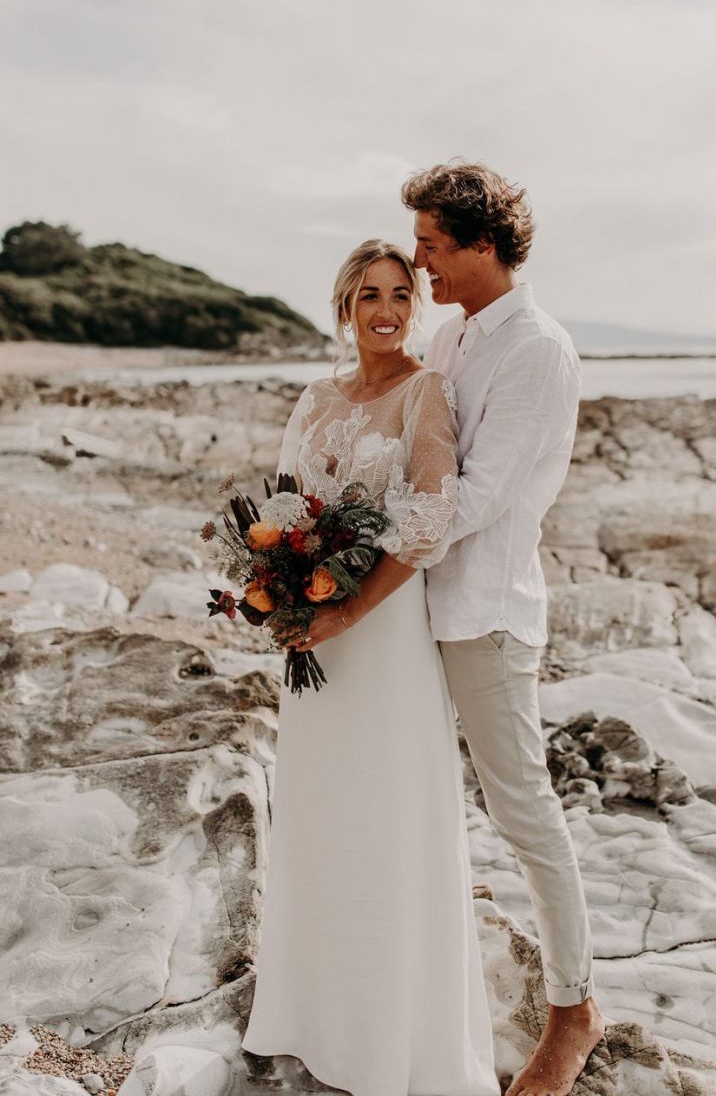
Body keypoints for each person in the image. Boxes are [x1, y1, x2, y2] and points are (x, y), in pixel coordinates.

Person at [241, 240, 500, 1096]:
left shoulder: (427, 391)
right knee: (319, 817)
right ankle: (312, 1015)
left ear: (412, 307)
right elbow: (281, 504)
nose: (385, 310)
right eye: (369, 295)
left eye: (399, 294)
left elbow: (428, 520)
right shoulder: (316, 397)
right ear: (344, 306)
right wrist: (280, 595)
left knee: (387, 819)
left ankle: (389, 1040)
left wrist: (348, 607)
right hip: (313, 635)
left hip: (382, 639)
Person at [402, 161, 605, 1096]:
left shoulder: (538, 348)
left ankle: (573, 1011)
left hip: (485, 616)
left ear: (484, 244)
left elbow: (477, 499)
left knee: (523, 812)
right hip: (416, 613)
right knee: (417, 802)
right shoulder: (451, 335)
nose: (422, 261)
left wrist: (369, 562)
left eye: (435, 244)